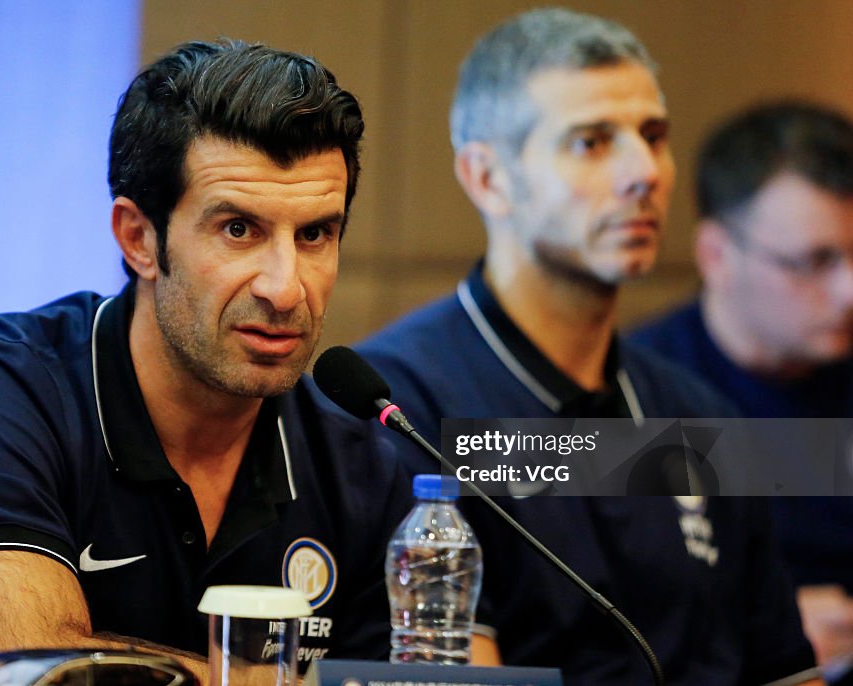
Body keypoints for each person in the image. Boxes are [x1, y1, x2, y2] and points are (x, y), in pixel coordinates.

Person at [0, 40, 416, 685]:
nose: (286, 289)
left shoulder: (357, 458)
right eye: (239, 229)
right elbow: (38, 670)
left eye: (314, 233)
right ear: (138, 237)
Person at [356, 9, 821, 685]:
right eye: (593, 141)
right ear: (488, 178)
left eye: (653, 134)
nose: (645, 173)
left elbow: (786, 672)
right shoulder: (400, 401)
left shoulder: (697, 411)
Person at [629, 102, 853, 682]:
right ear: (717, 255)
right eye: (816, 260)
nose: (849, 290)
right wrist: (770, 628)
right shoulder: (630, 395)